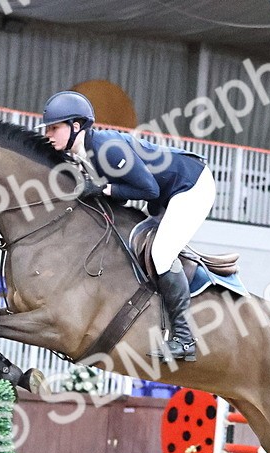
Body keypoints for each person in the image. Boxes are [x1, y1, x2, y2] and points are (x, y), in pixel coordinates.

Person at [41, 91, 215, 363]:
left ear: (76, 127)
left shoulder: (106, 148)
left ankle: (184, 338)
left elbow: (148, 188)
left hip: (190, 186)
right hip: (165, 195)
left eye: (54, 128)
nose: (48, 134)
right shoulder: (80, 154)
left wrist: (103, 188)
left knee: (161, 253)